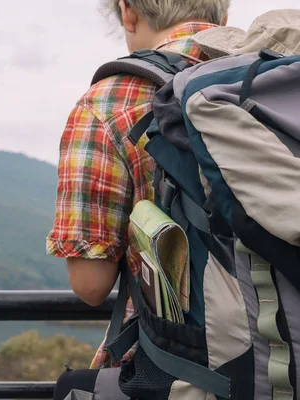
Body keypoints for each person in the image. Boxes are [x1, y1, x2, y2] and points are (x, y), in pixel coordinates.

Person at [46, 0, 230, 369]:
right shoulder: (274, 78)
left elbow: (91, 284)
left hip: (178, 365)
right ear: (223, 16)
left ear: (128, 11)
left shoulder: (107, 102)